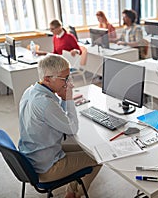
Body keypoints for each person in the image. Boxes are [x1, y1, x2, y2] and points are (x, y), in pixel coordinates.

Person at [18, 54, 101, 198]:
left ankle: (72, 190)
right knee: (98, 157)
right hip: (46, 167)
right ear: (47, 79)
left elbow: (60, 116)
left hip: (34, 154)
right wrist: (68, 97)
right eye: (65, 79)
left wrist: (63, 98)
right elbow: (72, 129)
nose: (68, 83)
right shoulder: (45, 103)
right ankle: (74, 194)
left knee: (87, 147)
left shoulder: (30, 91)